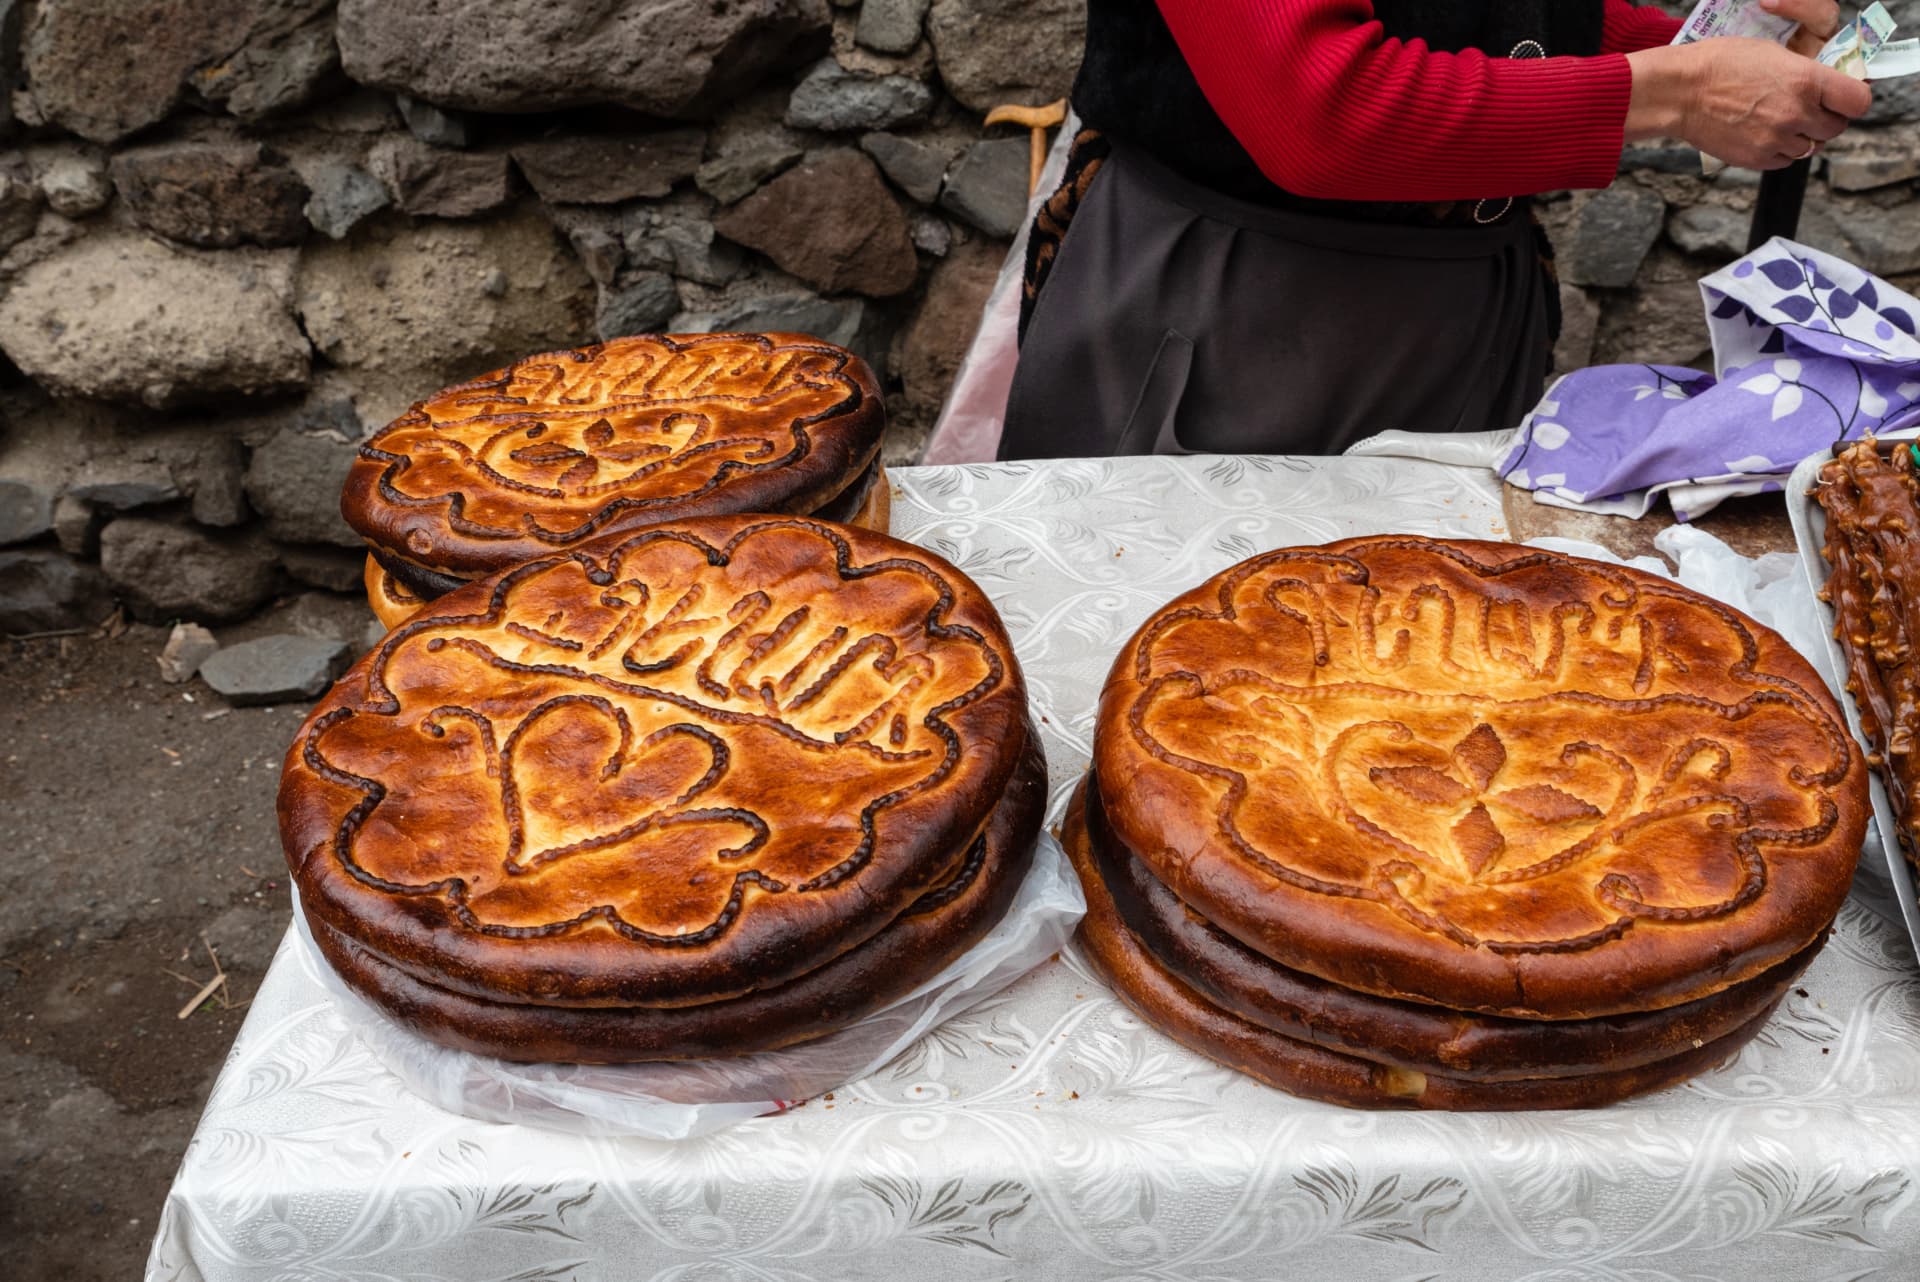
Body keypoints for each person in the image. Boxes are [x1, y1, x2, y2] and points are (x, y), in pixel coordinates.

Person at [998, 0, 1872, 461]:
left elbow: (1487, 12)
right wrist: (1682, 90)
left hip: (1474, 317)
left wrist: (1712, 45)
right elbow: (1323, 112)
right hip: (1227, 309)